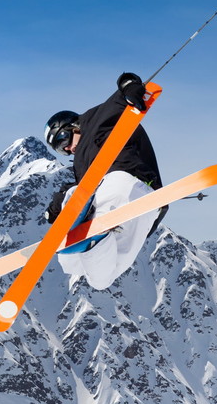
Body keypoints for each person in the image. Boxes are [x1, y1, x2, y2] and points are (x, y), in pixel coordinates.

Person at [42, 72, 168, 290]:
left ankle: (75, 211)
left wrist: (130, 86)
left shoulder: (93, 120)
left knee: (77, 196)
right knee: (99, 279)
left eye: (64, 140)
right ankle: (90, 241)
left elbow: (121, 94)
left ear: (72, 125)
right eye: (61, 150)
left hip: (121, 181)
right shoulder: (82, 163)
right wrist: (54, 208)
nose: (68, 149)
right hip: (145, 205)